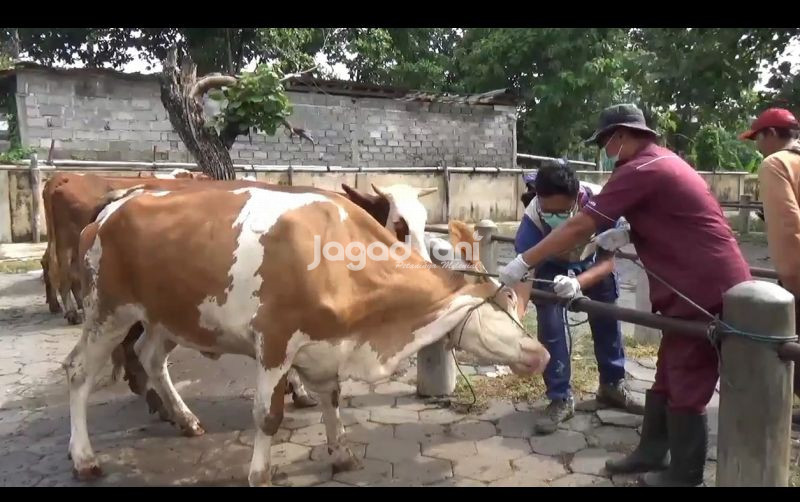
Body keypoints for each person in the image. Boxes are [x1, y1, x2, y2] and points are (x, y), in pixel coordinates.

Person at [499, 103, 752, 487]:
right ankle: (651, 451)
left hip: (703, 286)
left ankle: (685, 476)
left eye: (605, 142)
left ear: (621, 135)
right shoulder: (659, 163)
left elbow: (581, 225)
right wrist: (631, 232)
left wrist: (522, 262)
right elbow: (669, 216)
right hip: (689, 284)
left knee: (686, 378)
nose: (606, 150)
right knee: (668, 374)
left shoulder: (641, 169)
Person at [513, 161, 643, 434]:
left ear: (576, 200)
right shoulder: (533, 216)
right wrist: (516, 320)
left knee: (607, 313)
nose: (553, 217)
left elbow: (608, 263)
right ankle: (560, 397)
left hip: (591, 265)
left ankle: (611, 384)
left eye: (561, 212)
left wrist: (577, 282)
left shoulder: (602, 204)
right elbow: (524, 271)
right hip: (550, 267)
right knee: (550, 324)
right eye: (549, 212)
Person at [739, 107, 800, 424]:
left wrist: (791, 280)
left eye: (758, 138)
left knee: (788, 341)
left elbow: (790, 226)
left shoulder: (775, 164)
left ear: (773, 134)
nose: (757, 146)